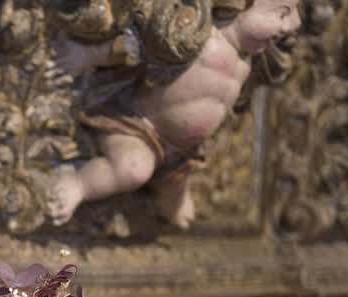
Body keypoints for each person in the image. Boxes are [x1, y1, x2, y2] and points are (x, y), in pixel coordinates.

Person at [45, 0, 302, 228]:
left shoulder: (249, 57)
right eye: (283, 13)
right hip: (139, 128)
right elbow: (137, 47)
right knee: (132, 170)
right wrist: (87, 56)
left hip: (184, 151)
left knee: (176, 185)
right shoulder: (198, 37)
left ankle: (169, 197)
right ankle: (79, 184)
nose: (295, 24)